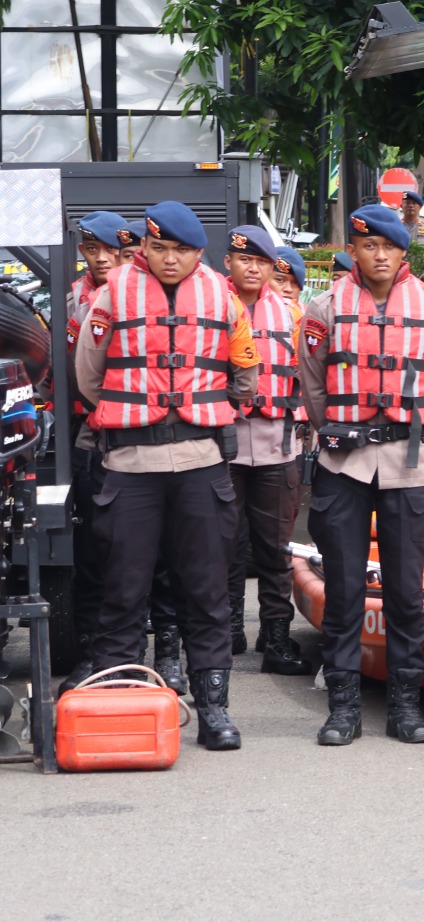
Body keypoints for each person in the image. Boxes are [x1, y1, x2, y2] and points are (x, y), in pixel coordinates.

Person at [68, 201, 262, 750]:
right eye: (160, 248)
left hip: (201, 462)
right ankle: (118, 707)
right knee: (123, 590)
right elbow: (88, 375)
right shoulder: (112, 297)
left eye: (181, 250)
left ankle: (214, 711)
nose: (169, 259)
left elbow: (244, 375)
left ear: (200, 254)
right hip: (131, 463)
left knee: (206, 593)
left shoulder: (223, 302)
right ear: (144, 248)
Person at [300, 203, 424, 744]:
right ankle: (343, 709)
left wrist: (418, 426)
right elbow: (313, 385)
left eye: (389, 247)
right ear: (355, 251)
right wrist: (342, 432)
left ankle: (405, 708)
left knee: (406, 593)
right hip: (341, 463)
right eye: (369, 246)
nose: (380, 255)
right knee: (343, 589)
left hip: (407, 467)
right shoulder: (323, 308)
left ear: (403, 252)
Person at [222, 227, 312, 676]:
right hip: (225, 444)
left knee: (276, 547)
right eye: (245, 260)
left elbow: (313, 376)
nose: (254, 268)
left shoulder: (294, 314)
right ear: (229, 263)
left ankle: (276, 638)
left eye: (263, 262)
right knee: (223, 545)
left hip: (280, 441)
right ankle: (229, 631)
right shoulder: (214, 307)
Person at [59, 211, 132, 690]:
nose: (101, 258)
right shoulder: (69, 298)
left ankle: (154, 654)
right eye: (91, 249)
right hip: (90, 437)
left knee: (147, 553)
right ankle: (91, 650)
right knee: (91, 549)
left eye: (111, 249)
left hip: (141, 439)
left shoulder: (146, 294)